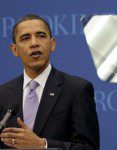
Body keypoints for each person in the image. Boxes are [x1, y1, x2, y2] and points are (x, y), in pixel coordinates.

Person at [0, 14, 99, 150]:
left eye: (41, 36)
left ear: (52, 44)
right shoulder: (3, 94)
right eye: (25, 38)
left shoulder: (77, 89)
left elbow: (88, 148)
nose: (34, 43)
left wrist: (43, 145)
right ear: (14, 50)